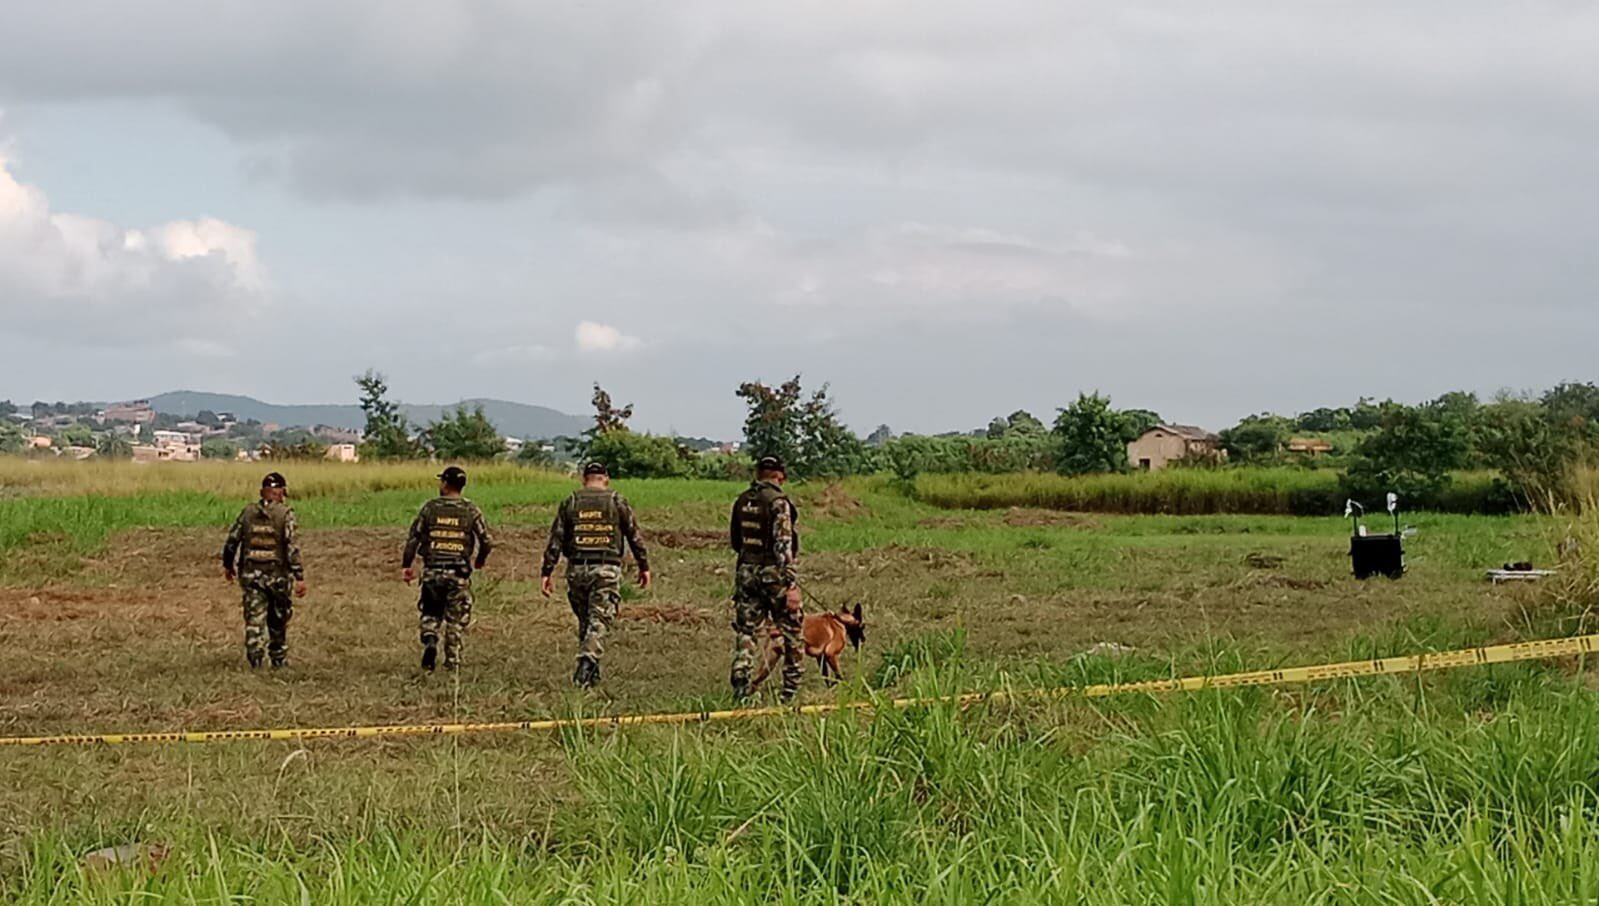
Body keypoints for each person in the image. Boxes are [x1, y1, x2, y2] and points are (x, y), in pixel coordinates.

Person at [540, 461, 651, 687]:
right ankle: (587, 663)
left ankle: (592, 675)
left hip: (577, 569)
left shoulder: (570, 501)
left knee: (586, 621)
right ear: (606, 478)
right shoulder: (616, 501)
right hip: (606, 569)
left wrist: (547, 571)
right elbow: (634, 535)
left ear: (584, 478)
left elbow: (556, 539)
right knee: (599, 620)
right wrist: (644, 565)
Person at [402, 466, 494, 672]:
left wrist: (406, 565)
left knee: (430, 611)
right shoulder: (471, 510)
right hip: (458, 573)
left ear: (444, 483)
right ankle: (452, 662)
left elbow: (413, 538)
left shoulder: (430, 508)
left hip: (433, 571)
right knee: (455, 619)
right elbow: (487, 541)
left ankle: (430, 638)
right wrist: (479, 560)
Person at [728, 455, 803, 702]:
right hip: (773, 574)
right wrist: (791, 585)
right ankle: (790, 692)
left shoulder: (742, 501)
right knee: (791, 630)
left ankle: (741, 683)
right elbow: (784, 544)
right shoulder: (778, 502)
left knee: (747, 632)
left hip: (746, 573)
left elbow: (736, 543)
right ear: (780, 476)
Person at [220, 472, 307, 669]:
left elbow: (232, 541)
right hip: (278, 578)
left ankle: (255, 659)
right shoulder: (285, 514)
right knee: (278, 620)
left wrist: (228, 565)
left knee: (254, 618)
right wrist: (299, 576)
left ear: (262, 492)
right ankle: (278, 659)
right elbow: (292, 547)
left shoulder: (248, 512)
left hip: (251, 576)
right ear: (282, 492)